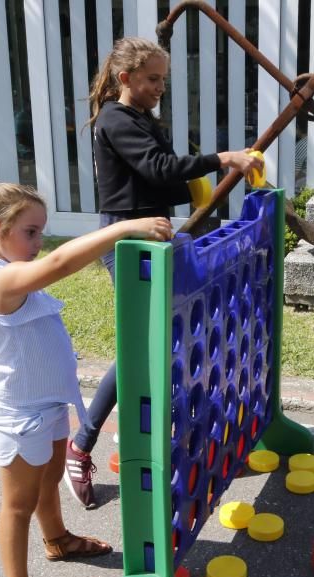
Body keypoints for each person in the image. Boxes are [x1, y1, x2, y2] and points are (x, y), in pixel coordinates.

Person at [0, 177, 172, 577]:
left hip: (48, 402)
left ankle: (57, 539)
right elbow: (59, 262)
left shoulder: (12, 267)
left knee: (51, 478)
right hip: (18, 414)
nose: (39, 242)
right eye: (30, 232)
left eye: (40, 232)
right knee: (18, 504)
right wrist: (122, 229)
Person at [63, 36, 263, 509]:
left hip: (155, 236)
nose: (159, 88)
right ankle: (81, 444)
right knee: (142, 348)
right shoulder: (115, 118)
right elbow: (157, 169)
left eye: (163, 80)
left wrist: (203, 194)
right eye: (152, 79)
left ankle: (174, 427)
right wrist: (222, 159)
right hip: (127, 242)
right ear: (125, 77)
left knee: (177, 335)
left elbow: (166, 179)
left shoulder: (142, 119)